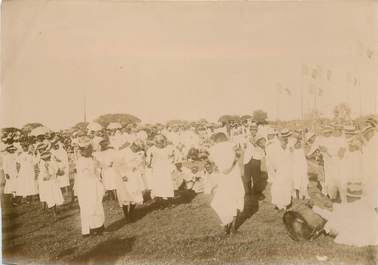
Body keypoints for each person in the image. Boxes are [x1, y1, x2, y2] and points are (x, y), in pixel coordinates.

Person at [208, 132, 244, 235]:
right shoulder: (233, 145)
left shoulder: (214, 149)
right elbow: (240, 155)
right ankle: (232, 228)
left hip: (224, 178)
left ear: (217, 140)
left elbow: (210, 162)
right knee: (236, 200)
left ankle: (226, 225)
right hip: (234, 177)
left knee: (224, 201)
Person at [75, 137, 105, 237]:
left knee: (97, 204)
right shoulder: (81, 161)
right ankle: (90, 229)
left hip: (94, 184)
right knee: (88, 206)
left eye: (90, 149)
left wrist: (97, 165)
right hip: (86, 186)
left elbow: (99, 167)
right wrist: (94, 167)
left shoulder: (92, 158)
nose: (90, 151)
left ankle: (99, 226)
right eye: (87, 150)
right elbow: (86, 174)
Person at [114, 140, 145, 222]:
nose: (138, 150)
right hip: (125, 176)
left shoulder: (138, 153)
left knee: (135, 194)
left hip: (134, 175)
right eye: (137, 148)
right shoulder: (123, 152)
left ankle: (131, 213)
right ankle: (126, 215)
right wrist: (123, 175)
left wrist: (137, 166)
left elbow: (139, 162)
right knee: (125, 196)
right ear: (134, 145)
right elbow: (117, 165)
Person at [36, 143, 64, 216]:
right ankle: (47, 208)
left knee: (50, 195)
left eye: (41, 149)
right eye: (39, 150)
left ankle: (53, 211)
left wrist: (52, 174)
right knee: (47, 194)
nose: (40, 151)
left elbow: (57, 167)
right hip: (47, 179)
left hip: (48, 180)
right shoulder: (41, 159)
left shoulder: (50, 159)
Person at [146, 134, 175, 201]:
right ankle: (159, 198)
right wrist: (149, 163)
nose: (160, 144)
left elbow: (171, 157)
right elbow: (148, 159)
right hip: (157, 168)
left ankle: (167, 198)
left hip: (165, 167)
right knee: (158, 183)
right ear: (156, 142)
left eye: (162, 142)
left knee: (166, 182)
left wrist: (171, 165)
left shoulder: (167, 148)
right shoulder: (152, 149)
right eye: (158, 143)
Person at [270, 129, 293, 211]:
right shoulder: (275, 146)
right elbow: (272, 159)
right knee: (277, 186)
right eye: (283, 137)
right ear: (280, 137)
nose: (285, 138)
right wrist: (274, 168)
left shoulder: (290, 145)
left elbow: (291, 157)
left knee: (286, 186)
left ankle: (285, 204)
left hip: (287, 169)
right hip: (279, 169)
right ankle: (278, 203)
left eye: (287, 137)